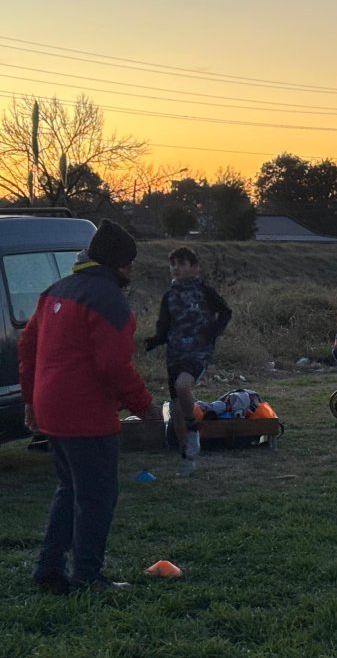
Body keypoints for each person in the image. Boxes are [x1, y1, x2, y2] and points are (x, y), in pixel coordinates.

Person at [18, 219, 162, 593]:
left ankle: (48, 571)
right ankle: (87, 576)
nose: (130, 270)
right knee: (96, 496)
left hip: (52, 408)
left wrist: (32, 401)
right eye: (129, 263)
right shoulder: (107, 298)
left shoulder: (55, 290)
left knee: (69, 490)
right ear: (120, 264)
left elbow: (27, 349)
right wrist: (143, 405)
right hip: (86, 414)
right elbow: (113, 365)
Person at [144, 247, 231, 477]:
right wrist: (154, 341)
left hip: (198, 351)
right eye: (173, 264)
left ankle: (194, 430)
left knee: (184, 386)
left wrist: (214, 330)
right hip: (175, 353)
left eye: (182, 264)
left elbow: (225, 312)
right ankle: (187, 456)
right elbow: (164, 325)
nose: (176, 268)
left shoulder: (204, 291)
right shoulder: (169, 296)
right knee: (175, 407)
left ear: (195, 267)